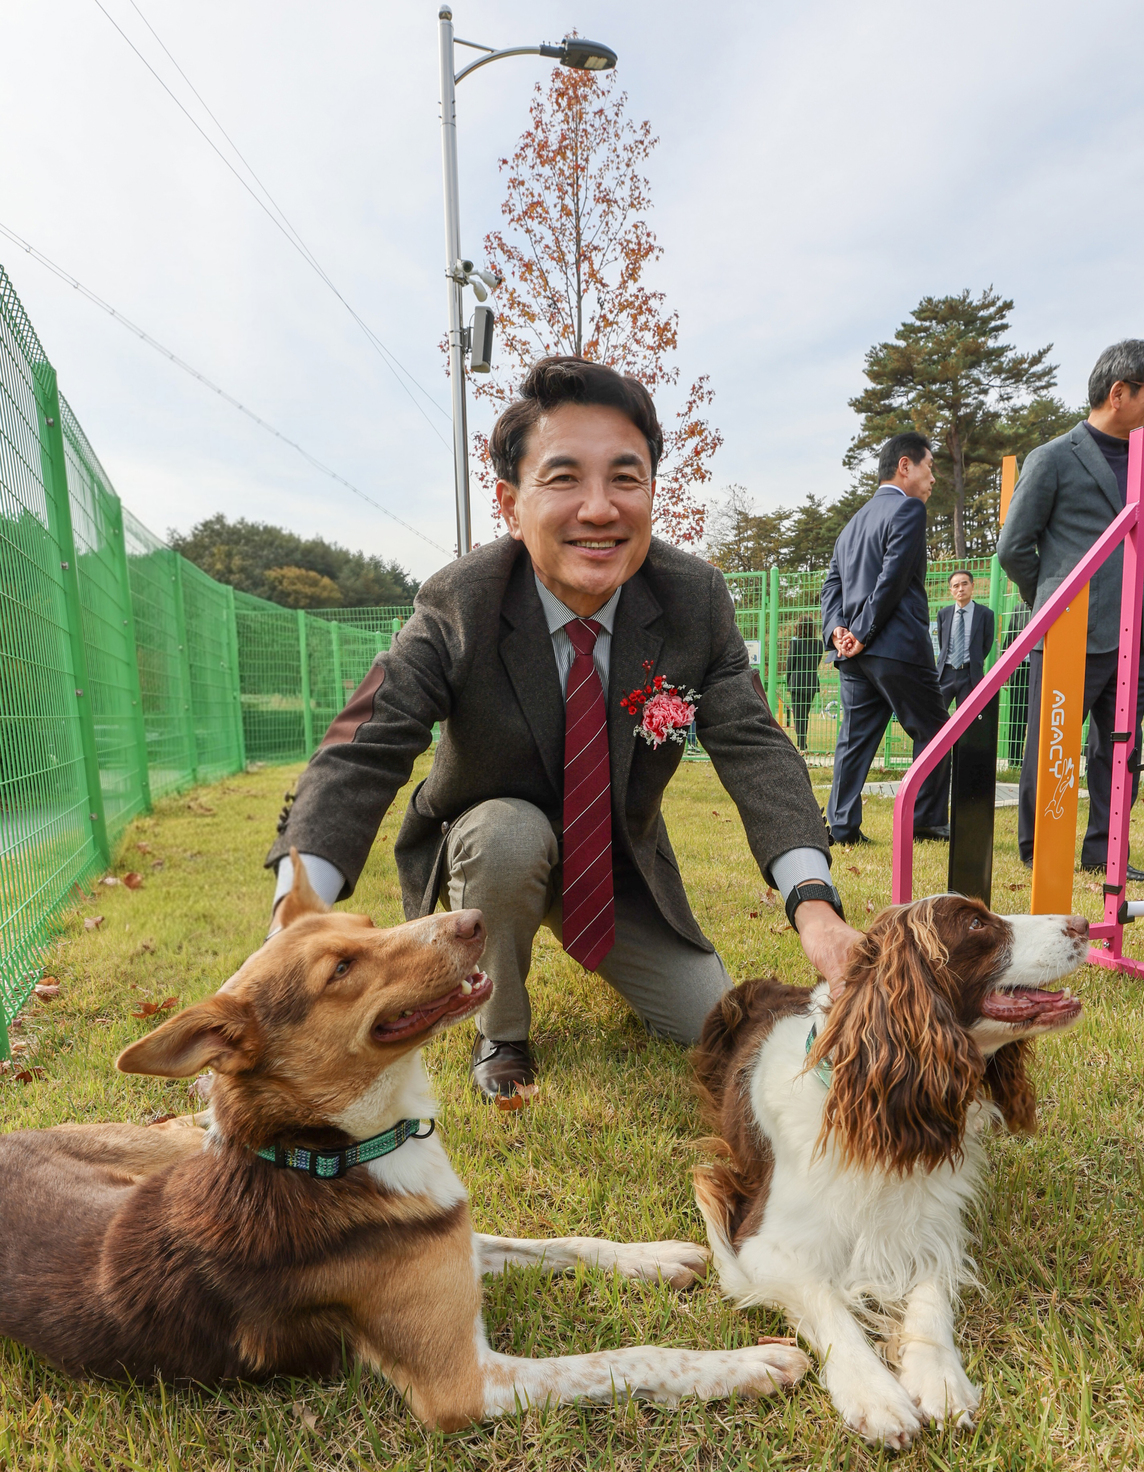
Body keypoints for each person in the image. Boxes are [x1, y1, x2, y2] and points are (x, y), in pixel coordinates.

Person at [265, 357, 859, 1102]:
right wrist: (296, 906)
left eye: (625, 477)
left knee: (714, 1021)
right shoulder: (462, 601)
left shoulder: (694, 600)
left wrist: (814, 905)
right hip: (490, 852)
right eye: (564, 478)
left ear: (651, 491)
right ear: (511, 505)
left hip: (615, 864)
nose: (600, 508)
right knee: (508, 836)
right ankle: (501, 1032)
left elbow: (756, 745)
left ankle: (611, 949)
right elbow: (368, 740)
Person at [997, 338, 1144, 880]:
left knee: (1119, 749)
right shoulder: (1052, 458)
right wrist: (1051, 602)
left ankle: (1104, 850)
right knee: (1054, 745)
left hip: (1132, 632)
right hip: (1069, 631)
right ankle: (1036, 848)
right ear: (1119, 392)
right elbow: (1013, 546)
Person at [820, 432, 951, 846]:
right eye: (930, 468)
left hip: (855, 656)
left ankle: (841, 826)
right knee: (935, 731)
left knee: (853, 740)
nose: (933, 479)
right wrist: (859, 632)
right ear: (905, 465)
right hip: (895, 647)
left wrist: (837, 629)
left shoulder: (851, 525)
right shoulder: (908, 509)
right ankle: (925, 821)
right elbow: (891, 579)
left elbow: (832, 587)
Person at [936, 569, 996, 712]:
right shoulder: (943, 614)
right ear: (951, 590)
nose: (961, 589)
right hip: (945, 674)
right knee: (935, 716)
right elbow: (942, 643)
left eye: (965, 584)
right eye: (956, 586)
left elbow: (986, 644)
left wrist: (974, 660)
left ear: (972, 585)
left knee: (966, 721)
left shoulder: (985, 614)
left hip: (970, 675)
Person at [1001, 601, 1033, 766]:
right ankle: (1014, 761)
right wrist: (1005, 670)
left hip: (1043, 669)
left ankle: (1035, 761)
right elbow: (1009, 640)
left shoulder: (1051, 603)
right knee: (1017, 716)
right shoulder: (1019, 609)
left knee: (1039, 716)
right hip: (1021, 670)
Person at [785, 617, 823, 750]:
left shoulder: (795, 643)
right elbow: (816, 663)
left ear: (799, 628)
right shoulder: (819, 644)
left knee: (798, 714)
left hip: (797, 683)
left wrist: (788, 682)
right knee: (804, 714)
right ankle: (802, 742)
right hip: (811, 683)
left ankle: (801, 743)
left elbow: (790, 664)